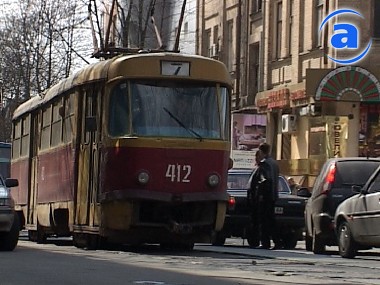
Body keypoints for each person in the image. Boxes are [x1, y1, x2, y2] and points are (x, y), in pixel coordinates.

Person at [248, 143, 280, 249]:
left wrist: (260, 194)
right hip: (273, 195)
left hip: (265, 197)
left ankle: (265, 243)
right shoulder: (274, 163)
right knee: (271, 220)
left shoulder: (264, 164)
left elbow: (265, 180)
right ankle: (277, 241)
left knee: (264, 221)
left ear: (261, 152)